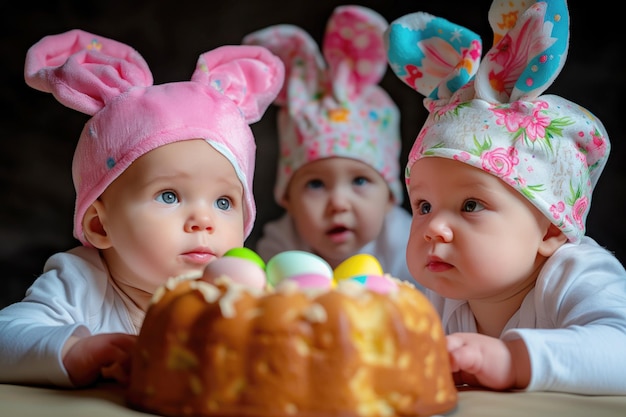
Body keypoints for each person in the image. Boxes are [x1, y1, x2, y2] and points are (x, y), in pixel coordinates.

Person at [0, 29, 284, 388]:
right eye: (169, 195)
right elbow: (5, 336)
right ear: (100, 226)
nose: (204, 220)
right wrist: (73, 351)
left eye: (224, 201)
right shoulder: (81, 283)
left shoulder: (244, 291)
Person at [385, 0, 626, 394]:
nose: (434, 228)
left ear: (550, 228)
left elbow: (621, 348)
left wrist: (514, 360)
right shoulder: (437, 295)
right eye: (423, 206)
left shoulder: (575, 277)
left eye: (471, 205)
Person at [243, 5, 419, 286]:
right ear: (287, 199)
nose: (338, 203)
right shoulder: (281, 244)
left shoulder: (407, 241)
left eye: (360, 180)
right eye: (315, 184)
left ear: (390, 197)